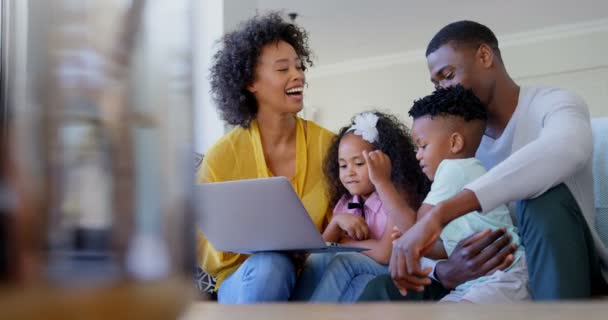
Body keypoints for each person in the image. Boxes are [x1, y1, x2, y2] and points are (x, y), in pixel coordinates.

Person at [361, 20, 607, 301]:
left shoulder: (554, 102)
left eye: (448, 74)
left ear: (484, 56)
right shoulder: (455, 145)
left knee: (541, 196)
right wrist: (447, 271)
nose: (443, 89)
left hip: (565, 264)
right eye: (436, 83)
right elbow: (442, 238)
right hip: (485, 277)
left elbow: (567, 148)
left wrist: (443, 213)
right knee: (382, 290)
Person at [197, 12, 335, 303]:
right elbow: (204, 247)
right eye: (283, 69)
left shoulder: (329, 145)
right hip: (246, 280)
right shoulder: (222, 156)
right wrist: (256, 248)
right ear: (251, 83)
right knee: (271, 264)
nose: (298, 75)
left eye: (298, 66)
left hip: (309, 276)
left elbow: (344, 219)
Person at [406, 85, 528, 302]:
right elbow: (446, 249)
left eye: (422, 146)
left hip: (503, 277)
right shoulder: (465, 178)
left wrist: (410, 237)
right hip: (480, 283)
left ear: (455, 143)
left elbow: (421, 222)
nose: (417, 156)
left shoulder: (455, 169)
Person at [291, 111, 428, 302]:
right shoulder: (347, 202)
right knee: (323, 263)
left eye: (358, 163)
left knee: (344, 261)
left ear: (385, 162)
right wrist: (336, 223)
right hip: (364, 272)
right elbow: (318, 254)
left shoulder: (395, 196)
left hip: (394, 269)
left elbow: (385, 253)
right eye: (343, 166)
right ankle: (292, 312)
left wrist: (345, 244)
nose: (349, 173)